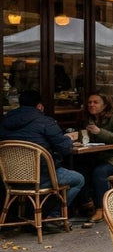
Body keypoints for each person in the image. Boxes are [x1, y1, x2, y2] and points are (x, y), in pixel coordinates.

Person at [0, 90, 85, 227]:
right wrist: (69, 138)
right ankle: (54, 215)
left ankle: (26, 215)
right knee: (78, 179)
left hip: (10, 179)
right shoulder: (45, 122)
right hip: (42, 177)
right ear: (39, 106)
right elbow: (64, 148)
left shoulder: (5, 121)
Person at [82, 92, 113, 224]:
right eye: (89, 102)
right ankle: (86, 202)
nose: (91, 105)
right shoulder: (88, 119)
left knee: (99, 172)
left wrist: (100, 132)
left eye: (95, 102)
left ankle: (101, 209)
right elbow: (86, 138)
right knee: (79, 168)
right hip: (96, 155)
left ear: (105, 105)